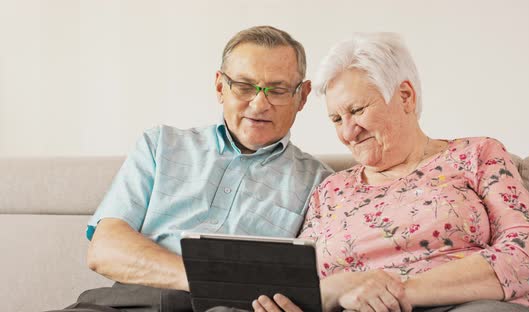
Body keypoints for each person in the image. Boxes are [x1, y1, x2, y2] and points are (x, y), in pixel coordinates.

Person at [253, 33, 529, 312]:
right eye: (335, 118)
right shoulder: (331, 190)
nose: (347, 132)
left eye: (357, 111)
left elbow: (525, 254)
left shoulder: (476, 155)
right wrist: (340, 289)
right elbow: (303, 285)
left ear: (405, 96)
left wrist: (396, 292)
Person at [45, 25, 332, 312]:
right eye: (244, 87)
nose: (259, 104)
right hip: (128, 302)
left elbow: (320, 279)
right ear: (220, 87)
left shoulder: (323, 184)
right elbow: (105, 250)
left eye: (277, 90)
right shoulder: (160, 144)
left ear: (302, 96)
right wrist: (204, 279)